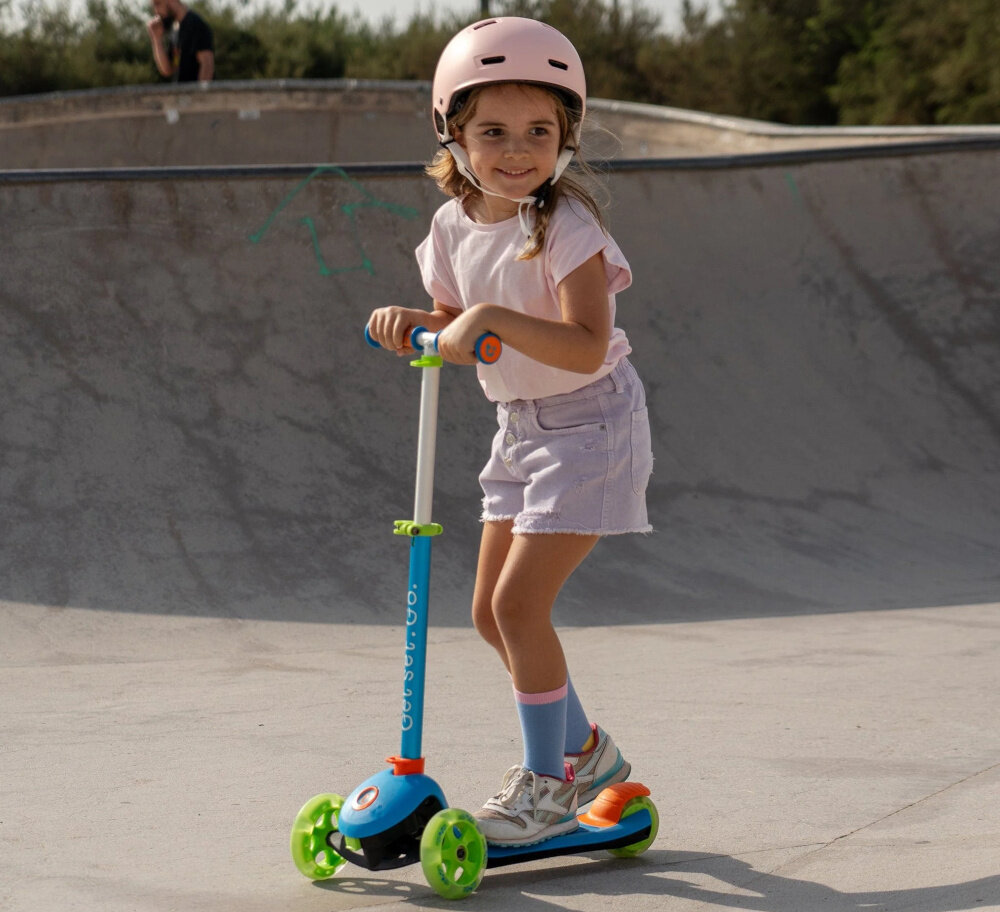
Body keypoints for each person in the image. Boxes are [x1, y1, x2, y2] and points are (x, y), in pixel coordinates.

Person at [367, 17, 653, 847]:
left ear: (566, 138)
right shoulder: (452, 228)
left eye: (539, 132)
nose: (516, 151)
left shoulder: (568, 232)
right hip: (521, 426)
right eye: (492, 132)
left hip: (592, 423)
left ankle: (547, 787)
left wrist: (486, 318)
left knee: (521, 606)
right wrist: (416, 323)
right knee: (490, 615)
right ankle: (588, 755)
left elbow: (585, 344)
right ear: (452, 133)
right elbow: (463, 327)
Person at [147, 0, 214, 83]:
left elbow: (207, 66)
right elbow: (168, 70)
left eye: (157, 4)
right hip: (181, 94)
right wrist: (156, 39)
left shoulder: (195, 24)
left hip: (193, 94)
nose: (156, 11)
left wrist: (199, 95)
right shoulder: (175, 28)